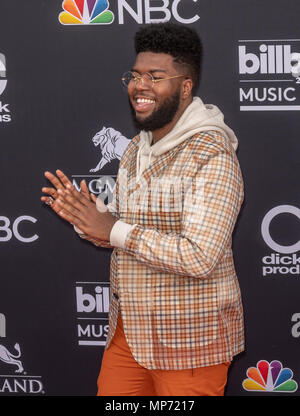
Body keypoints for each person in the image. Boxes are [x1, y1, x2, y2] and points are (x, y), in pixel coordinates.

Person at [41, 23, 244, 396]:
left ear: (185, 87)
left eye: (155, 76)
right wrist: (89, 218)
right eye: (135, 75)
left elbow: (200, 257)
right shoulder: (135, 147)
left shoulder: (212, 154)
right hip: (129, 334)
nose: (140, 84)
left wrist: (114, 229)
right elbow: (122, 227)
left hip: (190, 344)